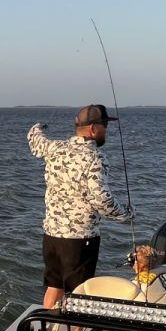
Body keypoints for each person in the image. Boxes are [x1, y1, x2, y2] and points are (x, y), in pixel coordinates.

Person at [27, 104, 135, 307]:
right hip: (79, 240)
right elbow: (101, 199)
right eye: (104, 126)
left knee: (54, 286)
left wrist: (39, 126)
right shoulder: (95, 158)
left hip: (51, 235)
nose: (106, 131)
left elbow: (34, 139)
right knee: (79, 295)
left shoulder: (55, 148)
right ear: (94, 129)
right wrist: (126, 214)